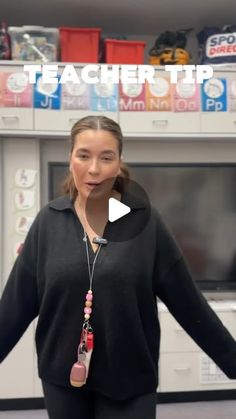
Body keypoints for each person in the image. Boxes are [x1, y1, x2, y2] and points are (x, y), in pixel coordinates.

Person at [1, 115, 236, 419]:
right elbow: (15, 306)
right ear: (71, 157)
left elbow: (188, 302)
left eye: (106, 157)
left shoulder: (146, 222)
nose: (94, 168)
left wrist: (232, 359)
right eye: (83, 155)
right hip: (63, 378)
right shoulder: (48, 221)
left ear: (119, 162)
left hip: (131, 379)